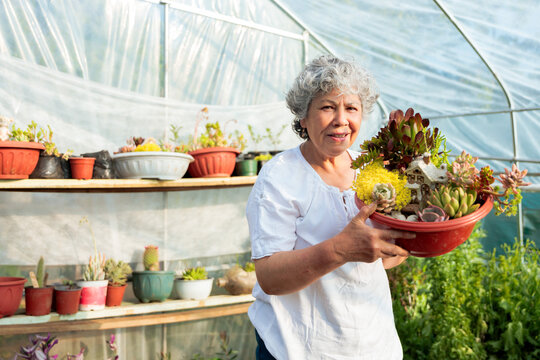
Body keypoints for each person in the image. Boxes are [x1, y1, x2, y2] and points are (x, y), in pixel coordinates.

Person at [245, 55, 415, 359]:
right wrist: (340, 249)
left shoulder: (372, 169)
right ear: (303, 116)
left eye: (351, 107)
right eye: (327, 107)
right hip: (299, 347)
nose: (341, 119)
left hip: (372, 345)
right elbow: (269, 277)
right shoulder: (280, 177)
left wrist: (403, 245)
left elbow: (380, 258)